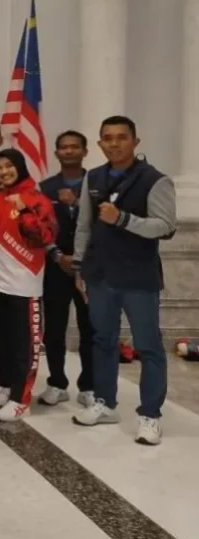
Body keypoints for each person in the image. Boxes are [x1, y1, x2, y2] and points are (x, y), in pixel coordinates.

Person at [72, 116, 176, 445]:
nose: (114, 143)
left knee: (148, 346)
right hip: (100, 276)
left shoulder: (155, 180)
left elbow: (166, 226)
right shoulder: (94, 177)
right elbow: (84, 226)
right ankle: (105, 403)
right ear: (100, 143)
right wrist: (79, 266)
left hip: (138, 278)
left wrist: (123, 219)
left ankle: (150, 415)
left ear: (135, 141)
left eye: (121, 137)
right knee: (103, 340)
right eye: (108, 138)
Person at [0, 150, 56, 422]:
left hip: (24, 286)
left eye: (9, 166)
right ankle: (7, 386)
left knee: (24, 346)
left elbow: (45, 236)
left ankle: (21, 399)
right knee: (2, 343)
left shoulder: (37, 199)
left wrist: (25, 209)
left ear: (20, 167)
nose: (4, 172)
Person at [38, 130, 94, 408]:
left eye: (75, 147)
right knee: (54, 329)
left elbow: (104, 224)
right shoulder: (46, 188)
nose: (69, 151)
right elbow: (39, 227)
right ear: (56, 153)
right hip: (56, 268)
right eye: (64, 147)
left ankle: (89, 385)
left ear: (85, 151)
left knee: (90, 328)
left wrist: (77, 203)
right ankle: (57, 383)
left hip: (91, 269)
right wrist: (57, 254)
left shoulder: (97, 185)